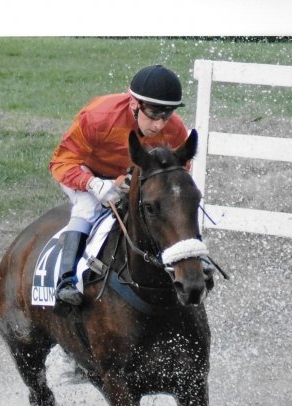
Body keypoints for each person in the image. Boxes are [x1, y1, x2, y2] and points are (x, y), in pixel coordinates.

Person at [49, 64, 191, 306]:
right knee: (88, 207)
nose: (159, 125)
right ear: (134, 104)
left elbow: (178, 173)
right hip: (85, 173)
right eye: (153, 114)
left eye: (167, 115)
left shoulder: (175, 130)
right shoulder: (97, 117)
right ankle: (66, 281)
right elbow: (61, 162)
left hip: (129, 179)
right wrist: (92, 183)